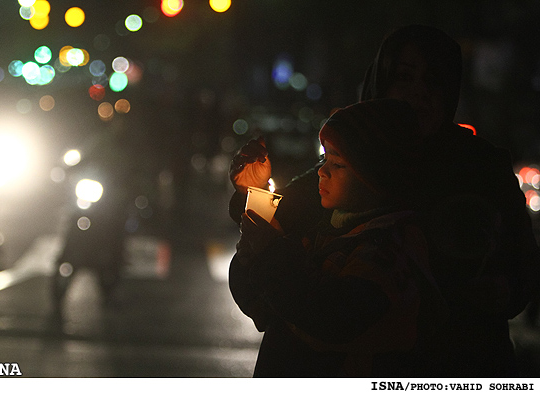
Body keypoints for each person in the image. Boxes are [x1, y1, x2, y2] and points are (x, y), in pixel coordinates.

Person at [228, 24, 540, 376]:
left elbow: (522, 264)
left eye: (434, 80)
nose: (420, 92)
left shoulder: (480, 168)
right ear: (380, 82)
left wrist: (499, 290)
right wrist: (251, 194)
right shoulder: (343, 172)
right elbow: (268, 231)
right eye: (404, 77)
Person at [230, 99, 446, 377]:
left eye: (338, 163)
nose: (322, 171)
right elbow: (260, 304)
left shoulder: (390, 251)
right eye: (324, 158)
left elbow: (329, 318)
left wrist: (270, 250)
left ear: (373, 176)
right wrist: (253, 240)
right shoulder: (325, 233)